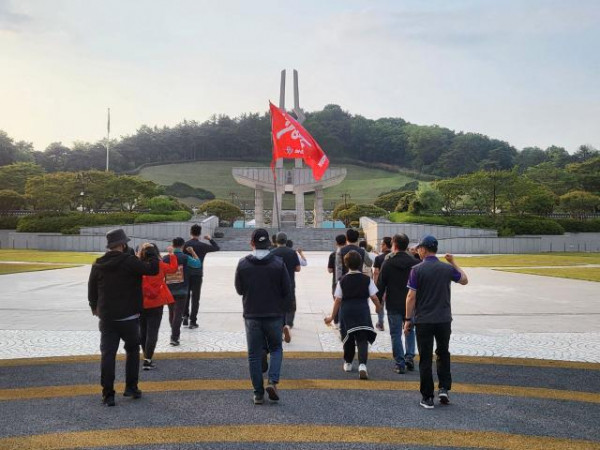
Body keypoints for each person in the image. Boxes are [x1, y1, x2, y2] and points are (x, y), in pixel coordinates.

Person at [88, 229, 159, 407]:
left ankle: (108, 394)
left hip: (107, 318)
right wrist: (151, 254)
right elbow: (152, 270)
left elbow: (91, 291)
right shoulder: (130, 262)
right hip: (129, 317)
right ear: (123, 244)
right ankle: (131, 387)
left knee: (108, 355)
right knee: (132, 351)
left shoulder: (98, 264)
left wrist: (94, 307)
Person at [404, 235, 468, 409]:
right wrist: (453, 262)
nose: (417, 251)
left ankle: (427, 397)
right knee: (443, 353)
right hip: (444, 319)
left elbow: (411, 297)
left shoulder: (416, 269)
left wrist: (408, 319)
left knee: (425, 358)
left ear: (424, 249)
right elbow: (464, 280)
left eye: (419, 248)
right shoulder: (446, 269)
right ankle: (444, 389)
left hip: (424, 320)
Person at [235, 228, 291, 405]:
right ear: (269, 243)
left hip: (252, 314)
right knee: (276, 349)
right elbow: (286, 291)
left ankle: (258, 394)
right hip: (274, 314)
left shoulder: (243, 264)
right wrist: (286, 319)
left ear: (252, 243)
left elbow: (239, 290)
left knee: (253, 354)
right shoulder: (279, 263)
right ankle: (273, 382)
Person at [325, 250, 382, 380]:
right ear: (361, 263)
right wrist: (378, 308)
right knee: (362, 338)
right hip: (362, 310)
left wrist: (332, 317)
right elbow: (374, 297)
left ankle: (348, 362)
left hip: (347, 311)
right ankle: (362, 365)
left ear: (346, 264)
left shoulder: (342, 280)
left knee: (348, 337)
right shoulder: (367, 279)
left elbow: (338, 300)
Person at [376, 234, 419, 374]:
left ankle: (399, 363)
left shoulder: (388, 263)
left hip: (393, 303)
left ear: (394, 245)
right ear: (406, 245)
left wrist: (378, 302)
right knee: (410, 330)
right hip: (411, 303)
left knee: (395, 334)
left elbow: (381, 285)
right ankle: (410, 357)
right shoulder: (414, 263)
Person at [139, 243, 178, 370]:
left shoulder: (139, 265)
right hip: (157, 302)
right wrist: (172, 254)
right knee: (152, 331)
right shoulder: (160, 264)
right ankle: (148, 359)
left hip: (141, 302)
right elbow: (173, 269)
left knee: (143, 331)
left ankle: (145, 355)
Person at [165, 237, 201, 346]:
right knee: (178, 314)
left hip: (169, 290)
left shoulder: (166, 258)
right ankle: (174, 337)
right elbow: (197, 264)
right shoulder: (185, 257)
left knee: (172, 313)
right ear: (183, 245)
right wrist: (193, 252)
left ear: (172, 244)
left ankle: (174, 333)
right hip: (182, 290)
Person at [182, 224, 220, 329]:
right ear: (200, 233)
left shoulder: (185, 245)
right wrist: (210, 239)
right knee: (195, 297)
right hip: (198, 273)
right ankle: (193, 321)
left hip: (187, 273)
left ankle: (185, 316)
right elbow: (217, 248)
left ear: (190, 232)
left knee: (186, 295)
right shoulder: (202, 245)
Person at [271, 232, 301, 333]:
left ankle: (279, 324)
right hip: (290, 282)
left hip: (276, 283)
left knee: (276, 303)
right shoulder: (292, 252)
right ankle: (289, 324)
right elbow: (298, 268)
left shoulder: (272, 252)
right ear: (286, 240)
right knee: (290, 302)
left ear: (276, 241)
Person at [373, 236, 392, 331]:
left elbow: (376, 273)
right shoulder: (394, 256)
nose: (380, 246)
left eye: (381, 244)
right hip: (393, 286)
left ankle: (381, 323)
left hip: (382, 285)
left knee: (380, 304)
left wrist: (375, 286)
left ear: (385, 245)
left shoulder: (379, 258)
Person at [327, 234, 347, 326]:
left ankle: (336, 320)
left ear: (336, 243)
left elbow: (330, 270)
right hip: (348, 280)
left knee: (337, 300)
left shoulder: (333, 255)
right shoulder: (350, 253)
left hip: (336, 281)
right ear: (346, 241)